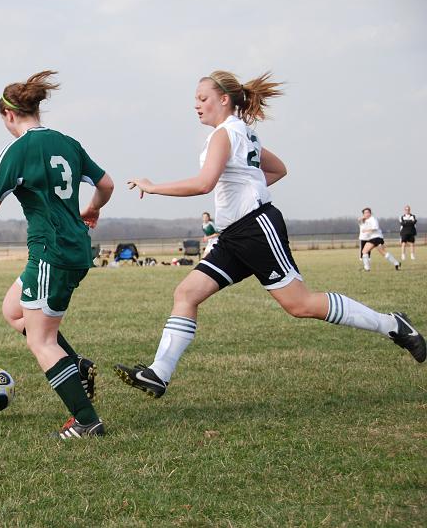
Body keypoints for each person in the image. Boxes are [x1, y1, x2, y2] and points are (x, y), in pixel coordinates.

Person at [115, 70, 425, 399]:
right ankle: (158, 374)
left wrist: (153, 187)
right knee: (187, 293)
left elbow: (203, 183)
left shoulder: (224, 134)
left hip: (255, 229)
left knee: (301, 304)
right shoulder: (243, 133)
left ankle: (392, 324)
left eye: (202, 98)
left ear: (223, 100)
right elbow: (278, 170)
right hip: (235, 235)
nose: (196, 105)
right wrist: (251, 186)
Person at [0, 70, 115, 438]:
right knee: (12, 309)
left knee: (41, 341)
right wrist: (92, 209)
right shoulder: (67, 142)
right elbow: (106, 184)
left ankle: (86, 420)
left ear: (8, 115)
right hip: (75, 248)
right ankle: (76, 365)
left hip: (50, 253)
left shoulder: (18, 150)